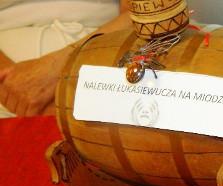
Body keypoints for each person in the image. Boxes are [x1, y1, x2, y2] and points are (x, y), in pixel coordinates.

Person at [0, 0, 131, 117]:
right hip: (8, 96)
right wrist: (10, 89)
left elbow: (138, 16)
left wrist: (61, 68)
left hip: (103, 77)